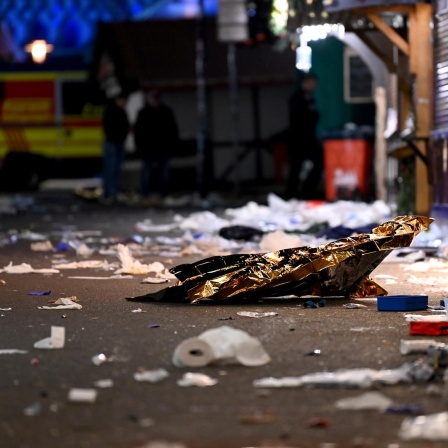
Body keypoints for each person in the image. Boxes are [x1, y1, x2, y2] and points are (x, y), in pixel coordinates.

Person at [133, 88, 179, 204]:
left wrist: (172, 145)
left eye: (157, 98)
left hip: (163, 148)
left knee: (164, 173)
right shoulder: (143, 113)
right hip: (148, 148)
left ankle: (164, 195)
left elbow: (173, 130)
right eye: (153, 98)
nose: (155, 100)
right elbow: (138, 131)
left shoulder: (166, 111)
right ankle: (145, 195)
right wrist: (139, 146)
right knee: (147, 173)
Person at [285, 72, 324, 200]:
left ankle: (307, 191)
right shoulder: (297, 98)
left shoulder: (310, 98)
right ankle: (291, 194)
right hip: (298, 139)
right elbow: (300, 118)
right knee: (296, 167)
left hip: (309, 138)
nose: (314, 86)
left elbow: (314, 117)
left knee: (319, 161)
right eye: (312, 83)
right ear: (305, 83)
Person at [101, 93, 130, 204]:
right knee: (110, 170)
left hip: (118, 143)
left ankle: (113, 193)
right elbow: (108, 127)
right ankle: (109, 194)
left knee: (116, 170)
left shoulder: (121, 111)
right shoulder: (111, 111)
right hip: (112, 143)